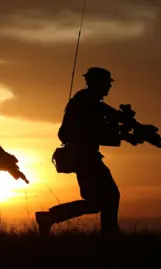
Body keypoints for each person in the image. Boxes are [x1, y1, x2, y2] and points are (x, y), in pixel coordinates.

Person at [36, 67, 124, 237]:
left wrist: (122, 127)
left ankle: (49, 217)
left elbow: (107, 120)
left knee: (99, 201)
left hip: (86, 158)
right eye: (106, 83)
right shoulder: (86, 102)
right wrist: (119, 132)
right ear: (96, 83)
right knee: (109, 196)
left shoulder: (88, 101)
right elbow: (95, 132)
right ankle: (110, 235)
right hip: (85, 159)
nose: (109, 87)